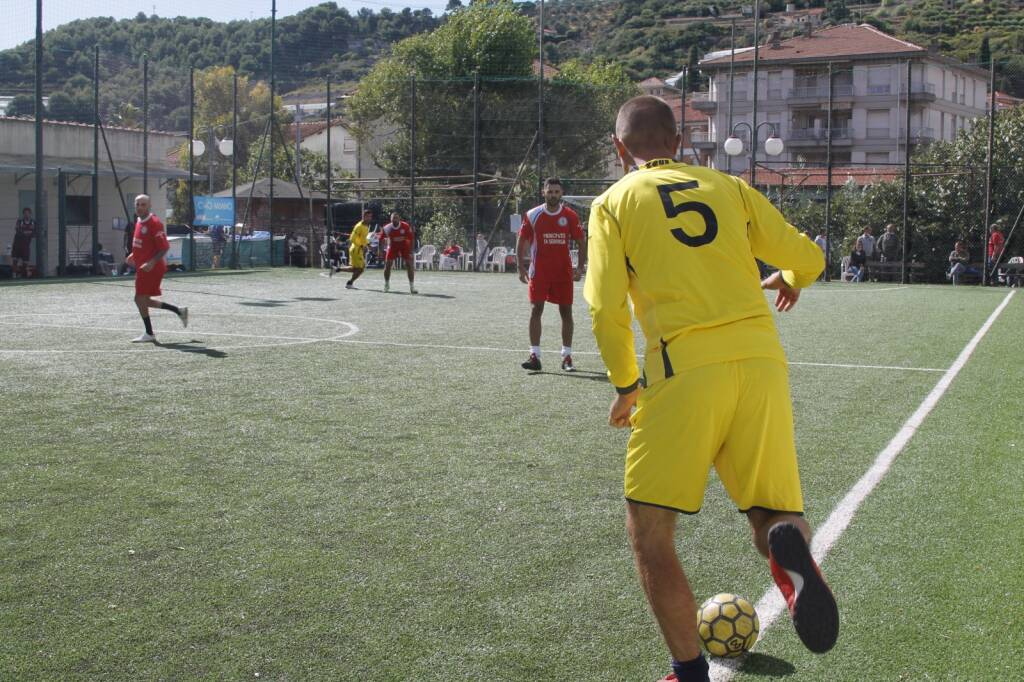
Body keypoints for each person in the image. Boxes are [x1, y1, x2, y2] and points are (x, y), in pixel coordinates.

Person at [585, 96, 838, 682]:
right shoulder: (730, 187)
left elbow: (603, 307)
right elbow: (809, 256)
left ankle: (688, 673)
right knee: (772, 514)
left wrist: (626, 384)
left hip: (684, 369)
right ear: (680, 142)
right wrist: (792, 277)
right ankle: (786, 544)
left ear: (621, 150)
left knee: (650, 531)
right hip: (760, 360)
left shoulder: (613, 203)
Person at [516, 177, 586, 372]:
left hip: (563, 273)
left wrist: (580, 267)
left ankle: (567, 357)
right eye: (550, 191)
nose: (553, 195)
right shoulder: (533, 214)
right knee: (535, 310)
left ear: (561, 193)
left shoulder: (570, 215)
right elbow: (521, 241)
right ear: (543, 192)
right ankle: (534, 356)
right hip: (539, 273)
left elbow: (581, 242)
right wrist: (521, 267)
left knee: (566, 312)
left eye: (557, 192)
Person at [125, 195, 188, 342]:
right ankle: (178, 311)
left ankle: (150, 333)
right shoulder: (139, 221)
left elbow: (164, 247)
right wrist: (133, 255)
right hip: (143, 266)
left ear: (149, 206)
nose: (140, 207)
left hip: (151, 268)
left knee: (139, 299)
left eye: (143, 205)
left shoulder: (154, 223)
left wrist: (151, 263)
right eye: (137, 204)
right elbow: (145, 244)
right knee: (143, 300)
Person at [336, 209, 373, 289]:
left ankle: (337, 269)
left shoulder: (366, 226)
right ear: (363, 216)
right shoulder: (359, 226)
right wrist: (360, 245)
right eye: (367, 216)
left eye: (370, 216)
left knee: (355, 268)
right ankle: (349, 283)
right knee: (360, 269)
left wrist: (368, 244)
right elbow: (352, 238)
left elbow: (363, 238)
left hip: (358, 250)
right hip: (356, 250)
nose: (369, 218)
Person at [382, 211, 417, 294]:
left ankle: (412, 287)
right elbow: (381, 238)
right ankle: (386, 285)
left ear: (399, 219)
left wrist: (411, 252)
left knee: (409, 264)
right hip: (393, 246)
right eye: (393, 218)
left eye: (396, 217)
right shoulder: (387, 228)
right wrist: (381, 249)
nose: (395, 219)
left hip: (404, 246)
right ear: (390, 219)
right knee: (388, 264)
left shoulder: (405, 226)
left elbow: (411, 239)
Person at [12, 207, 35, 278]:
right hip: (17, 245)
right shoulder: (20, 222)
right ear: (23, 214)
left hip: (26, 246)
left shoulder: (33, 223)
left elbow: (35, 233)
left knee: (25, 263)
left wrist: (28, 233)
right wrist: (27, 233)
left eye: (28, 213)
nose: (26, 215)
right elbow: (18, 231)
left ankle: (22, 275)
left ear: (30, 214)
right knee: (15, 261)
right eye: (25, 213)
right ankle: (14, 275)